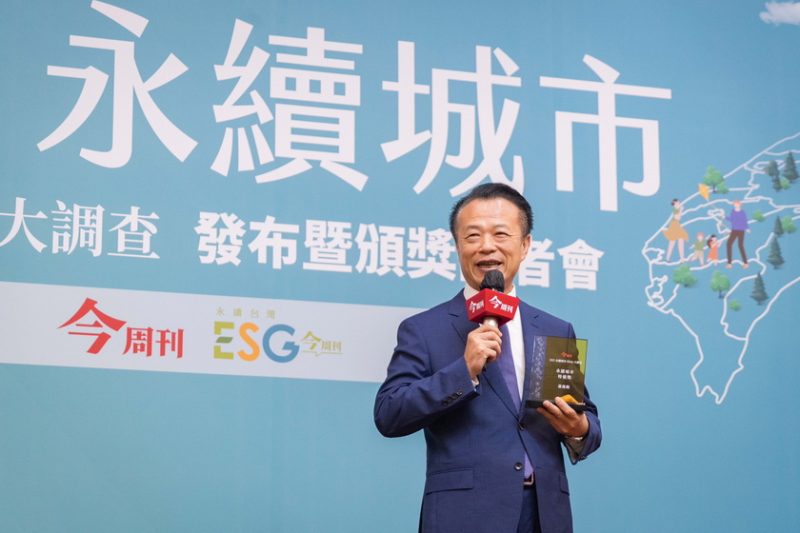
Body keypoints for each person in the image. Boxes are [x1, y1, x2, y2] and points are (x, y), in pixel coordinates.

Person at [374, 184, 601, 533]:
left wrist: (578, 429)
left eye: (501, 234)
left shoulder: (555, 329)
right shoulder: (424, 329)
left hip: (545, 515)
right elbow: (389, 414)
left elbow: (588, 423)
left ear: (525, 245)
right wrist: (463, 370)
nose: (486, 246)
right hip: (464, 515)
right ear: (457, 245)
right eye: (473, 236)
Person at [725, 200, 749, 269]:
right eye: (735, 204)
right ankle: (729, 263)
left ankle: (745, 263)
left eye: (737, 204)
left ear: (740, 204)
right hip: (734, 230)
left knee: (740, 245)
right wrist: (724, 217)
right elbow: (731, 219)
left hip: (741, 230)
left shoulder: (742, 212)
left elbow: (745, 220)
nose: (736, 205)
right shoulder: (733, 211)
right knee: (729, 244)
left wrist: (747, 228)